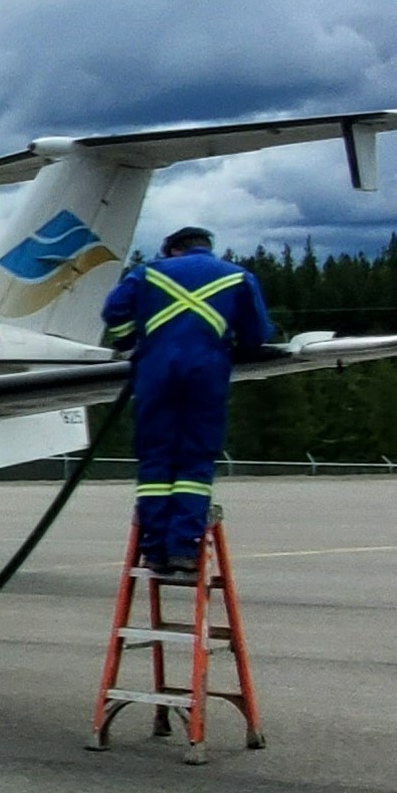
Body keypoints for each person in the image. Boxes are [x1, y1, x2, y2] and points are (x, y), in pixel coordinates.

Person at [101, 225, 273, 579]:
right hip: (206, 375)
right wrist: (231, 349)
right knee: (195, 460)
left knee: (156, 459)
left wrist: (130, 341)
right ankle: (184, 548)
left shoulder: (148, 273)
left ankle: (154, 549)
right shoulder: (238, 276)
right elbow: (257, 333)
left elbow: (114, 313)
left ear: (172, 250)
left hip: (155, 374)